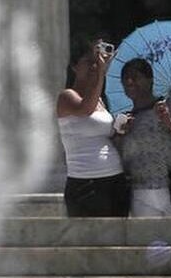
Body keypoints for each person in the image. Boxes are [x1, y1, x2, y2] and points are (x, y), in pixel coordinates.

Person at [114, 57, 171, 217]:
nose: (129, 81)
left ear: (150, 80)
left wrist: (169, 122)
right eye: (125, 78)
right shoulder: (125, 119)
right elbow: (121, 160)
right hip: (141, 194)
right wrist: (121, 135)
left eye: (135, 76)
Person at [56, 40, 131, 217]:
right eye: (89, 62)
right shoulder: (66, 96)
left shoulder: (99, 100)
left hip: (114, 178)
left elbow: (107, 137)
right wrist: (101, 74)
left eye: (96, 62)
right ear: (74, 66)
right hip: (85, 181)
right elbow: (84, 109)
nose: (94, 66)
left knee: (118, 239)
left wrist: (120, 130)